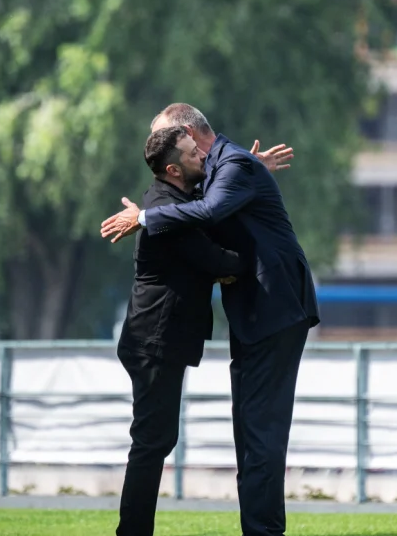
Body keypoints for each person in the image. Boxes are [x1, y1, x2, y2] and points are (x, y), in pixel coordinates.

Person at [100, 103, 315, 536]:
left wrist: (142, 219)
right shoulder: (209, 177)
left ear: (187, 136)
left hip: (271, 311)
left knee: (254, 434)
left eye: (168, 140)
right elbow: (211, 223)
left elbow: (212, 210)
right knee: (231, 434)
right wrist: (250, 169)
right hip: (239, 318)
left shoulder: (221, 172)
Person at [116, 126, 248, 536]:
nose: (203, 157)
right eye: (193, 155)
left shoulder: (171, 203)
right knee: (152, 442)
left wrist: (250, 168)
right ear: (173, 168)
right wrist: (247, 264)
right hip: (154, 341)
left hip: (157, 340)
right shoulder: (167, 212)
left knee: (154, 440)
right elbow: (219, 260)